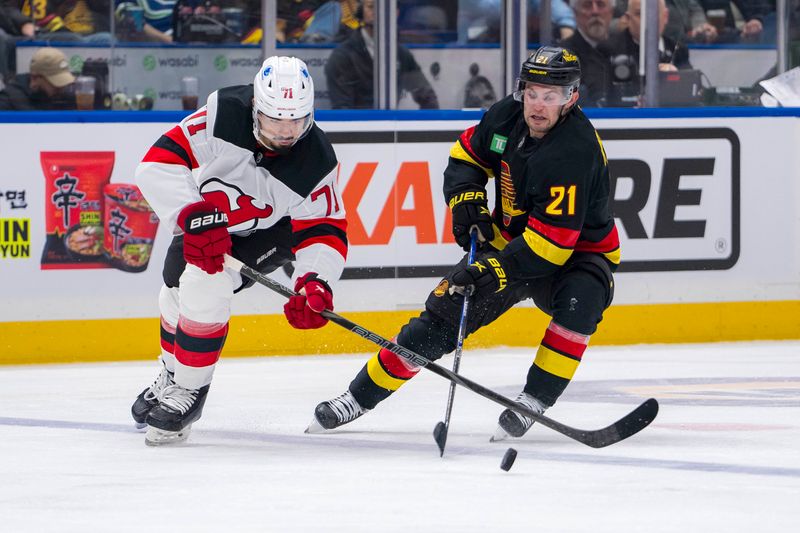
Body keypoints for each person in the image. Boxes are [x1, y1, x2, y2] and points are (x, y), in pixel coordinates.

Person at [309, 46, 620, 441]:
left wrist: (495, 269)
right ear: (521, 89)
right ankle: (356, 398)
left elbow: (553, 245)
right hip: (511, 244)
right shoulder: (504, 117)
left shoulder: (575, 151)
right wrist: (467, 200)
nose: (538, 105)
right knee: (439, 318)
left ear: (571, 98)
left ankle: (533, 402)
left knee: (581, 302)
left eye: (552, 96)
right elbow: (465, 158)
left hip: (577, 256)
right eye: (533, 92)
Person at [131, 56, 348, 446]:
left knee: (205, 281)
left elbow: (325, 227)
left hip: (270, 233)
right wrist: (192, 213)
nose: (285, 133)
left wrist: (315, 281)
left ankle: (190, 392)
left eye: (296, 121)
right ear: (255, 108)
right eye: (274, 120)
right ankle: (172, 373)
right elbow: (158, 162)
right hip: (208, 221)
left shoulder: (317, 159)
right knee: (173, 289)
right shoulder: (222, 112)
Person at [325, 0, 438, 109]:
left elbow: (428, 97)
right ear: (360, 11)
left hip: (393, 127)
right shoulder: (342, 56)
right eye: (371, 6)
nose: (378, 12)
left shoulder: (401, 54)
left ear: (396, 13)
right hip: (358, 127)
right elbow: (342, 109)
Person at [560, 0, 615, 107]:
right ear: (575, 13)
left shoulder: (624, 48)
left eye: (601, 4)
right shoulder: (563, 56)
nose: (595, 12)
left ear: (611, 12)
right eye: (587, 5)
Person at [0, 46, 76, 110]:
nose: (62, 87)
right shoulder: (8, 102)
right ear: (34, 78)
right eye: (56, 83)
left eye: (65, 82)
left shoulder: (67, 98)